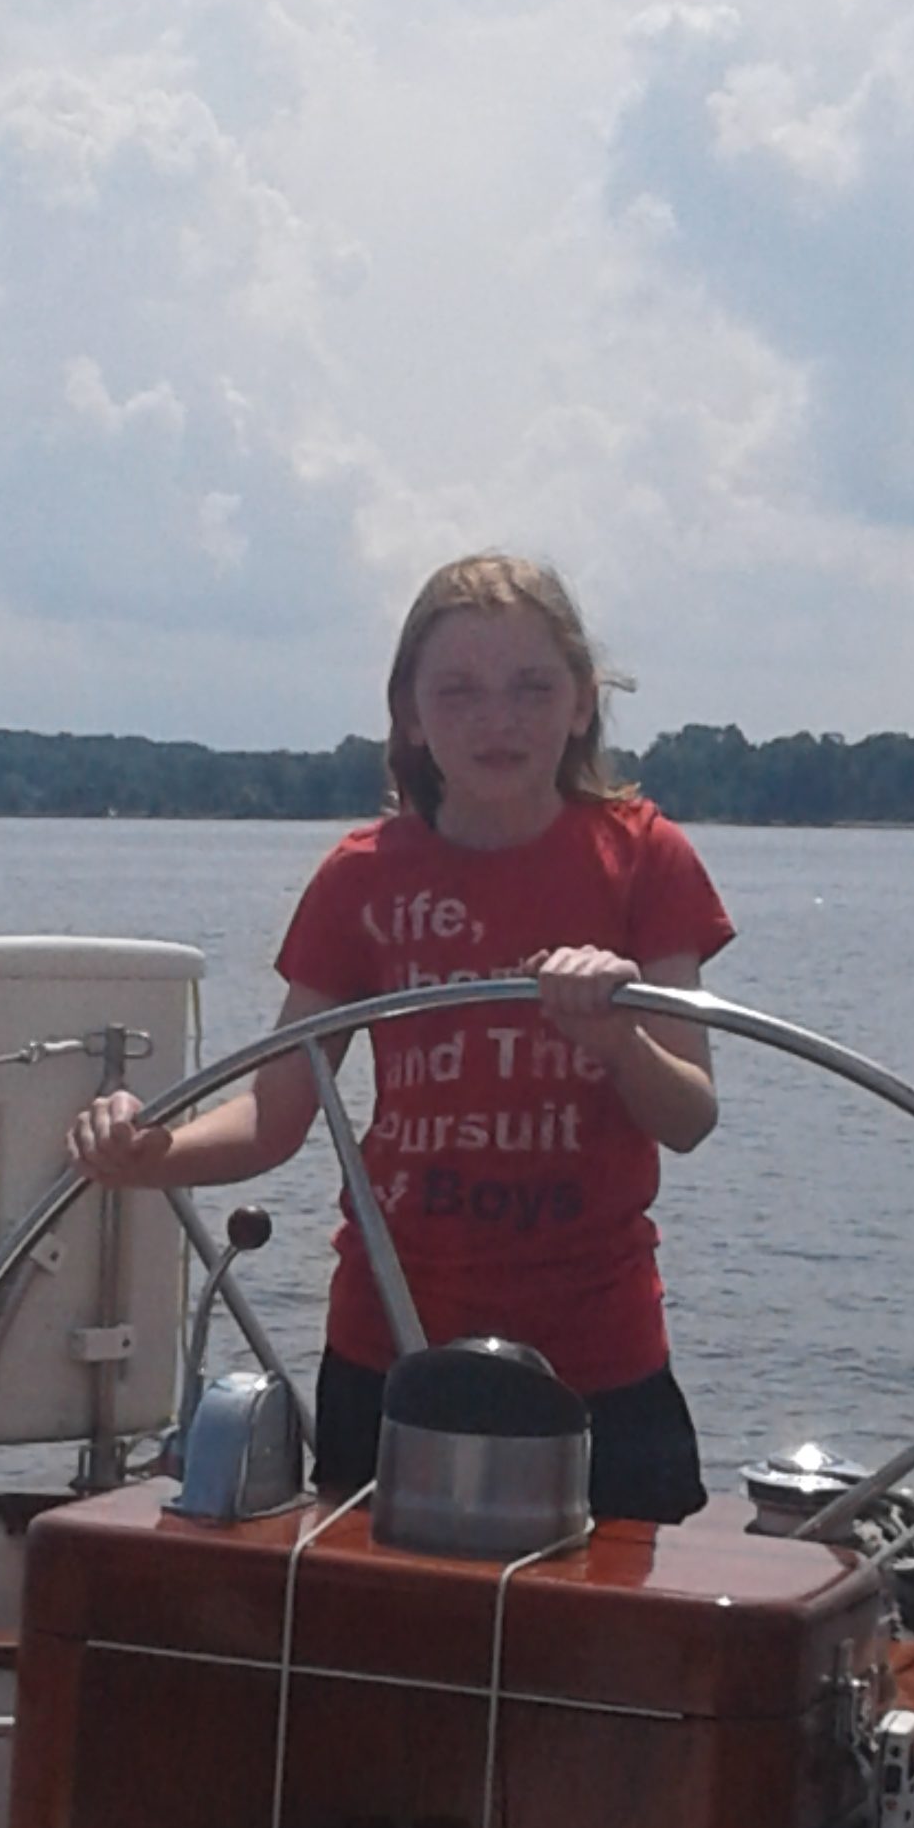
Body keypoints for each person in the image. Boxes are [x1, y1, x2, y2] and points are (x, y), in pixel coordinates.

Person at [70, 553, 734, 1522]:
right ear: (411, 717)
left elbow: (691, 1115)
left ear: (583, 704)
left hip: (600, 1357)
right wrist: (151, 1151)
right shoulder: (362, 878)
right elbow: (276, 1111)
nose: (496, 720)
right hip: (392, 1351)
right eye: (458, 692)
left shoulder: (647, 859)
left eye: (530, 688)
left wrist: (619, 1035)